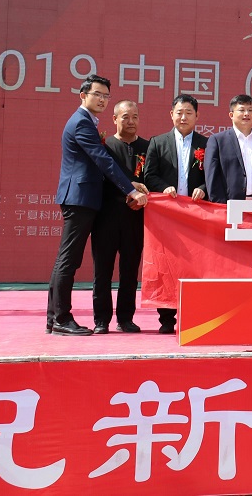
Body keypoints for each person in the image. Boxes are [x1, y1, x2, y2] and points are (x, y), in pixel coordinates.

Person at [46, 75, 148, 337]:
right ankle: (61, 318)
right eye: (97, 94)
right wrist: (130, 190)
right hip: (79, 197)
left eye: (105, 96)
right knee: (68, 260)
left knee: (66, 260)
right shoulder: (82, 122)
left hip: (83, 198)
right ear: (83, 95)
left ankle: (54, 318)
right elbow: (102, 159)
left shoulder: (87, 121)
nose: (102, 100)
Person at [143, 93, 207, 334]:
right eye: (179, 112)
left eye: (189, 113)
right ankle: (167, 319)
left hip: (195, 215)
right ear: (171, 114)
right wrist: (163, 188)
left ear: (197, 116)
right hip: (168, 216)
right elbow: (149, 175)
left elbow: (214, 176)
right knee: (167, 264)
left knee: (195, 264)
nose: (183, 117)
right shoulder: (158, 142)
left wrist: (203, 188)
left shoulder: (207, 144)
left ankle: (193, 315)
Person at [90, 100, 148, 334]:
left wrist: (142, 196)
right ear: (115, 119)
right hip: (106, 218)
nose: (131, 121)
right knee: (102, 271)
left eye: (135, 117)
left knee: (130, 271)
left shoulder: (147, 147)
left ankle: (125, 318)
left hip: (135, 218)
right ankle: (101, 320)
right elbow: (100, 179)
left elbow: (151, 180)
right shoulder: (104, 146)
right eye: (125, 117)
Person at [205, 94, 252, 203]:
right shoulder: (218, 141)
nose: (246, 114)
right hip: (229, 205)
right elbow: (212, 176)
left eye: (250, 110)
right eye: (242, 110)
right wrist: (220, 205)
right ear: (231, 115)